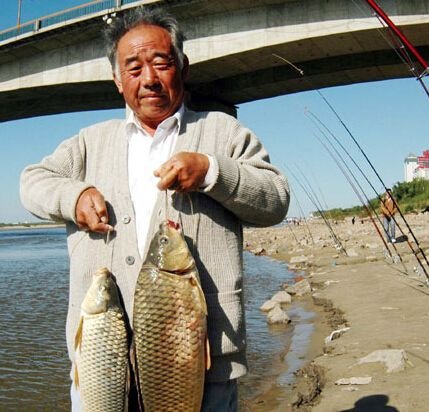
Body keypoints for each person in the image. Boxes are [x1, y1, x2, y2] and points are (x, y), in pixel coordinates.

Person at [20, 7, 289, 411]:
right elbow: (32, 182)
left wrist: (213, 172)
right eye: (133, 68)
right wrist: (72, 198)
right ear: (116, 80)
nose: (149, 78)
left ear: (183, 66)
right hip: (102, 364)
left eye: (161, 63)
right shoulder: (90, 142)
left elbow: (276, 199)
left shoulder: (224, 132)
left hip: (201, 361)